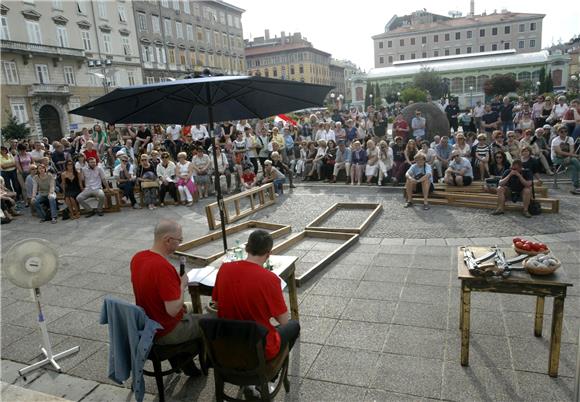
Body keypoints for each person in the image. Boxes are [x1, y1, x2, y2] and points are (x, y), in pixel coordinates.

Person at [212, 229, 300, 364]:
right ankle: (272, 370)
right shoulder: (270, 279)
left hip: (227, 342)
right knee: (294, 326)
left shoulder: (224, 269)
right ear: (269, 253)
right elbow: (283, 320)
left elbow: (217, 305)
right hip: (258, 347)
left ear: (247, 248)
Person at [131, 219, 203, 376]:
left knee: (192, 307)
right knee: (211, 322)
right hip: (165, 331)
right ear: (168, 240)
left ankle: (186, 364)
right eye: (180, 240)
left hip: (148, 322)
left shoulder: (138, 257)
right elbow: (172, 310)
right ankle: (205, 361)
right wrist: (182, 284)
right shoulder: (162, 268)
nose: (180, 243)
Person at [551, 125, 580, 194]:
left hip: (568, 157)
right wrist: (574, 156)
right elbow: (559, 152)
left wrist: (570, 157)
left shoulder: (570, 139)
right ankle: (577, 186)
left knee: (573, 166)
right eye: (562, 132)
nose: (564, 133)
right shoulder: (555, 140)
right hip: (557, 158)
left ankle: (577, 186)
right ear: (558, 132)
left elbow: (572, 150)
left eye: (565, 131)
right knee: (575, 160)